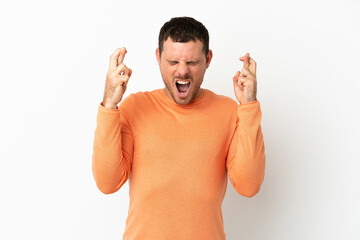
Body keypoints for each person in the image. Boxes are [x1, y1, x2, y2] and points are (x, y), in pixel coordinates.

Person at [92, 16, 265, 240]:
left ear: (208, 59)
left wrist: (249, 106)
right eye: (173, 62)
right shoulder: (134, 107)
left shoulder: (230, 112)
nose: (182, 72)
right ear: (158, 58)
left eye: (192, 62)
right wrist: (109, 104)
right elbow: (107, 183)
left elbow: (249, 186)